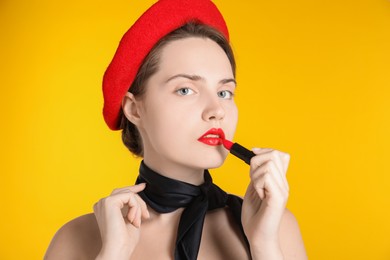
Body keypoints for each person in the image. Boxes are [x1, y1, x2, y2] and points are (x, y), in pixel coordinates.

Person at [45, 0, 307, 259]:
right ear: (134, 109)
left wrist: (264, 246)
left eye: (225, 92)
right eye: (185, 90)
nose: (216, 109)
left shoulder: (276, 228)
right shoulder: (76, 240)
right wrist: (112, 254)